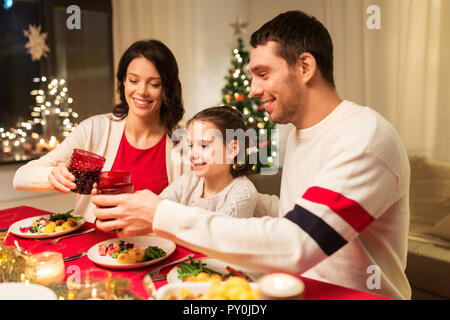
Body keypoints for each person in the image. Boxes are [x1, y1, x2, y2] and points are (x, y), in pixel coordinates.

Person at [92, 11, 411, 299]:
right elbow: (304, 210)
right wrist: (252, 199)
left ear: (305, 67)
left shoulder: (364, 138)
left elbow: (297, 243)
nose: (254, 88)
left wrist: (160, 214)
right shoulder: (298, 134)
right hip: (290, 290)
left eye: (263, 73)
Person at [13, 39, 190, 222]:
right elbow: (21, 177)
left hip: (157, 248)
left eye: (154, 84)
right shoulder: (94, 129)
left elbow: (195, 210)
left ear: (167, 88)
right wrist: (55, 176)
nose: (142, 91)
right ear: (123, 81)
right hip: (93, 247)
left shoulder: (183, 143)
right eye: (133, 80)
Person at [159, 106, 258, 218]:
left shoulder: (242, 193)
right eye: (191, 145)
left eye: (204, 146)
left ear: (232, 149)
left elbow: (219, 234)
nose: (192, 154)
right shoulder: (188, 181)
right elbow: (156, 209)